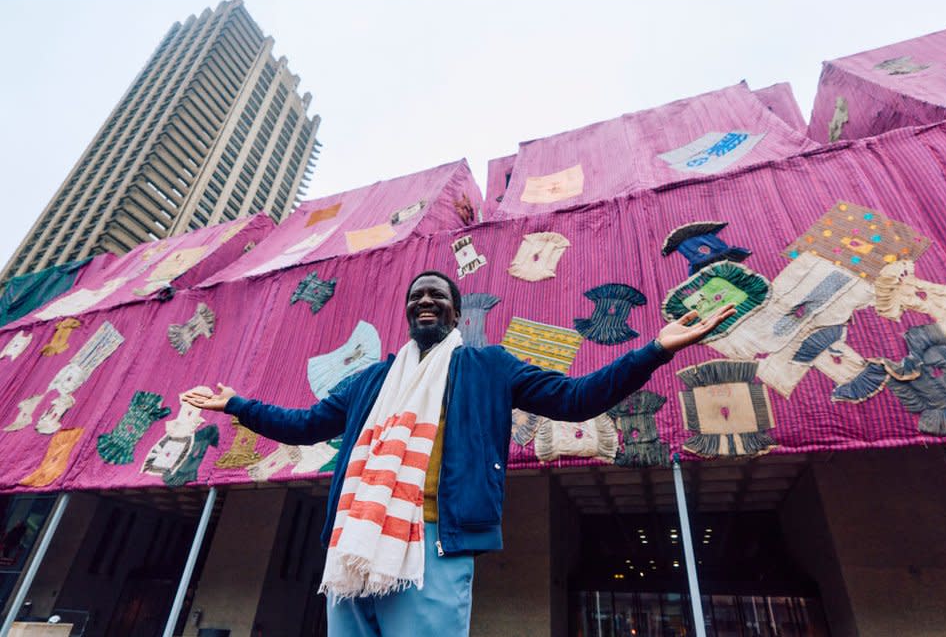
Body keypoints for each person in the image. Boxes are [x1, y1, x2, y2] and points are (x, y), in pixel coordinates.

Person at [182, 270, 734, 637]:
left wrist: (656, 349)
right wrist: (238, 404)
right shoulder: (369, 381)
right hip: (352, 549)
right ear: (407, 313)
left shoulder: (488, 366)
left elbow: (576, 398)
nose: (426, 301)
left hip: (433, 546)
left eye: (437, 296)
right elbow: (303, 426)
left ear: (455, 312)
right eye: (416, 296)